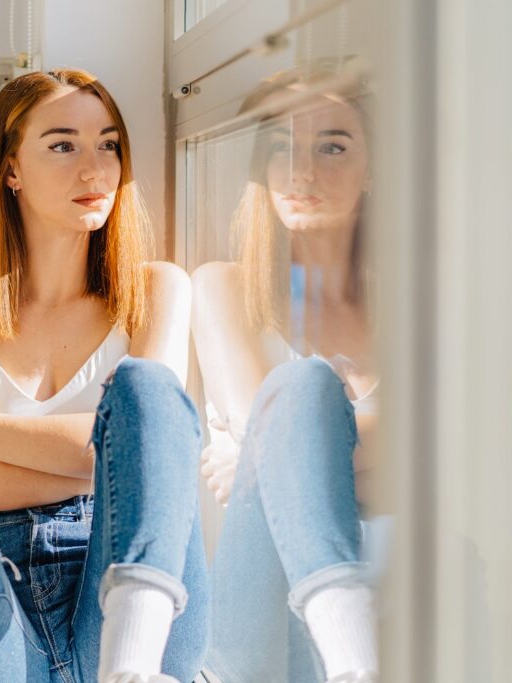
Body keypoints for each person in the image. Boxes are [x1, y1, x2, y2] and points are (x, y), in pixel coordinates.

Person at [0, 69, 209, 683]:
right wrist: (107, 457)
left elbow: (155, 447)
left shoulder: (155, 290)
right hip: (12, 613)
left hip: (137, 607)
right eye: (63, 145)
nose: (95, 169)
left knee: (148, 395)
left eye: (108, 144)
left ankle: (128, 672)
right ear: (10, 170)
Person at [192, 63, 380, 683]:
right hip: (260, 630)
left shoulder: (411, 306)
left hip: (392, 575)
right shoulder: (224, 289)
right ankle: (355, 659)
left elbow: (451, 449)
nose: (302, 171)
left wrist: (257, 454)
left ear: (373, 165)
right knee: (300, 388)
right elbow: (278, 439)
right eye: (280, 148)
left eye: (332, 146)